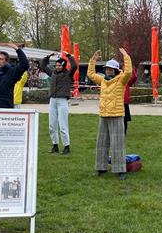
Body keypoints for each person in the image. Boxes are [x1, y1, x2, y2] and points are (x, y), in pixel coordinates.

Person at [87, 48, 132, 180]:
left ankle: (120, 170)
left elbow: (128, 71)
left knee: (117, 143)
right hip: (103, 115)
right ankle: (101, 168)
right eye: (107, 69)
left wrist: (126, 56)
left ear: (116, 70)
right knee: (101, 143)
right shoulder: (102, 81)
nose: (108, 71)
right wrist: (93, 60)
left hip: (117, 115)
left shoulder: (121, 80)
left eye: (111, 69)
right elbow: (90, 74)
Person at [41, 51, 77, 154]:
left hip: (62, 101)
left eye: (59, 65)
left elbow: (74, 66)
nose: (57, 67)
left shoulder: (68, 74)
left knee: (63, 125)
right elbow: (43, 65)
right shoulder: (52, 73)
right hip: (52, 100)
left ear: (63, 65)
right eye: (56, 65)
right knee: (52, 125)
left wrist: (69, 55)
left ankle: (66, 146)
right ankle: (55, 145)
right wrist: (48, 56)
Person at [123, 68, 137, 135]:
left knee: (125, 119)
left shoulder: (126, 79)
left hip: (124, 101)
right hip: (118, 100)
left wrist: (131, 68)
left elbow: (134, 77)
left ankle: (124, 133)